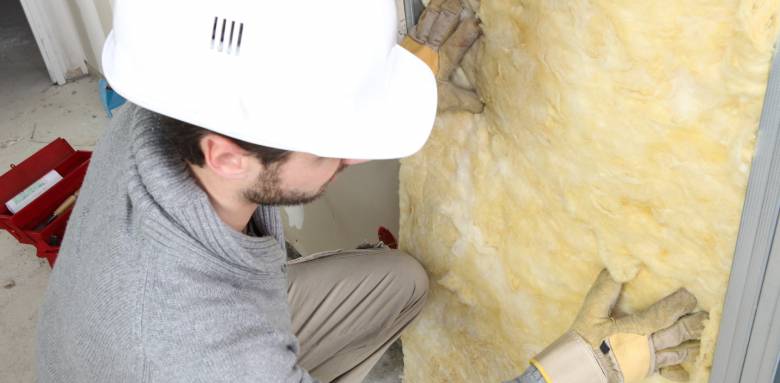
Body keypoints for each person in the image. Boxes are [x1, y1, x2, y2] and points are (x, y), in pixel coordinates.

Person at [36, 0, 706, 382]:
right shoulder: (212, 356)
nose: (356, 156)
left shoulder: (165, 107)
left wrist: (387, 86)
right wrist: (589, 369)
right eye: (334, 147)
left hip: (161, 328)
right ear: (230, 157)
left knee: (400, 282)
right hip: (178, 353)